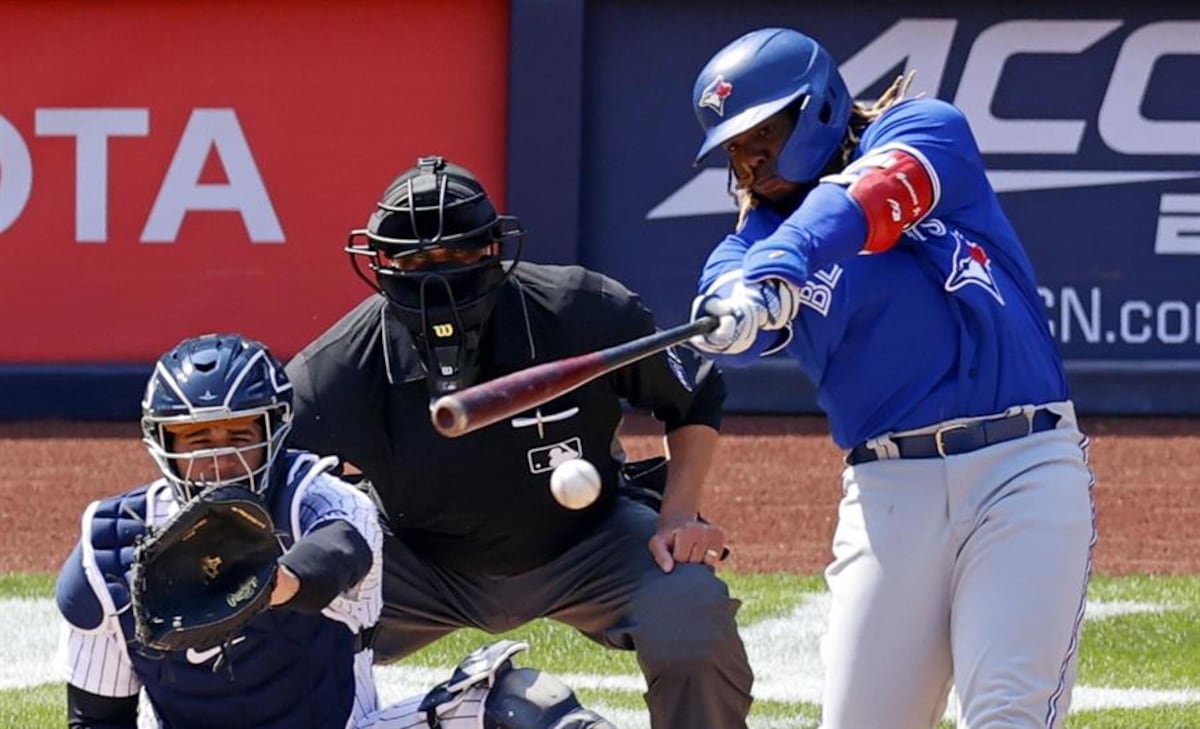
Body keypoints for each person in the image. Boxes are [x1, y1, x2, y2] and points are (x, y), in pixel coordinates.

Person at [686, 27, 1097, 729]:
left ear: (816, 109)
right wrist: (733, 312)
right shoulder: (746, 247)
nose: (748, 163)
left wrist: (783, 267)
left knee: (1007, 713)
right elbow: (727, 295)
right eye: (733, 148)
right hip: (888, 493)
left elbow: (858, 201)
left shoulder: (927, 131)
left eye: (763, 136)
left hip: (1021, 469)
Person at [284, 155, 754, 728]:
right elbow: (275, 472)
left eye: (455, 254)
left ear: (491, 251)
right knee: (280, 623)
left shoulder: (580, 310)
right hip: (413, 560)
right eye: (414, 260)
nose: (437, 275)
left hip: (590, 542)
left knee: (691, 613)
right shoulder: (341, 365)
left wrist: (678, 514)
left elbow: (695, 394)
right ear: (382, 266)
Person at [54, 333, 616, 729]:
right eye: (198, 440)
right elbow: (96, 719)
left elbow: (339, 551)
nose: (221, 457)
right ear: (163, 446)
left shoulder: (319, 498)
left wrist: (267, 586)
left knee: (526, 707)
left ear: (276, 431)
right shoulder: (109, 554)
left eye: (239, 434)